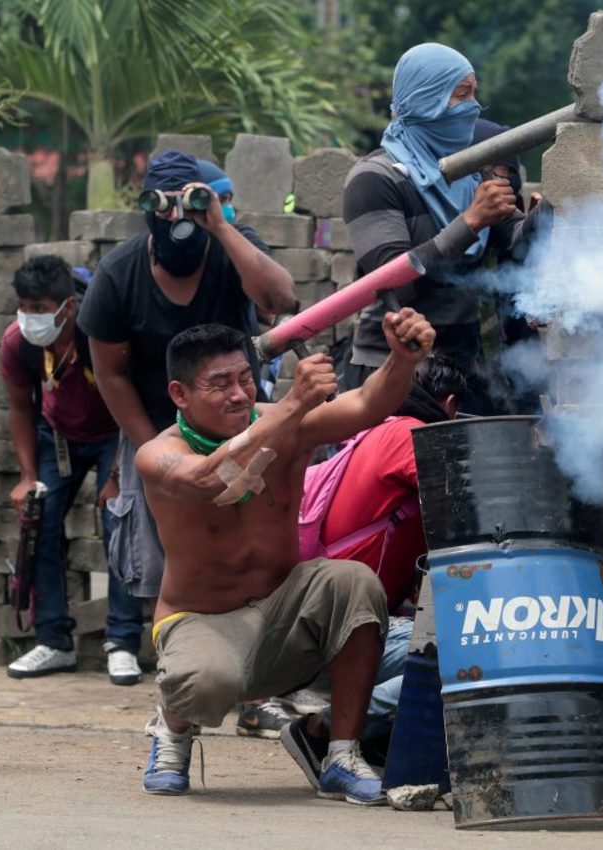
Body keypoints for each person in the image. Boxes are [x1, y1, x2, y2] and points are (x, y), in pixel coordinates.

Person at [136, 308, 436, 802]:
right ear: (180, 394)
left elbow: (366, 403)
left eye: (244, 379)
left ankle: (340, 755)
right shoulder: (157, 454)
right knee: (207, 681)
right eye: (220, 384)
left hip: (284, 610)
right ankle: (172, 731)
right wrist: (293, 403)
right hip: (201, 620)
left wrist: (402, 360)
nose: (239, 394)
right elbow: (211, 480)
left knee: (353, 580)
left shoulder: (285, 423)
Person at [340, 42, 545, 410]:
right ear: (424, 97)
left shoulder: (470, 173)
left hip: (461, 369)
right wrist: (471, 221)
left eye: (474, 94)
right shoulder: (375, 177)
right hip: (392, 371)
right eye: (461, 95)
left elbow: (513, 240)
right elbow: (392, 281)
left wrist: (540, 219)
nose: (473, 107)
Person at [290, 354, 482, 742]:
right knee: (469, 655)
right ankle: (323, 730)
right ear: (450, 405)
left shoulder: (375, 432)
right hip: (340, 631)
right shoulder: (409, 433)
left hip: (323, 621)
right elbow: (467, 498)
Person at [0, 256, 146, 684]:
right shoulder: (18, 343)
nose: (30, 316)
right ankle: (54, 641)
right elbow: (19, 409)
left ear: (68, 306)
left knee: (119, 522)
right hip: (57, 436)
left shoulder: (99, 332)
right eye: (24, 306)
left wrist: (117, 476)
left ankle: (122, 642)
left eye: (40, 308)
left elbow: (133, 402)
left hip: (115, 434)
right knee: (39, 522)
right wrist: (28, 477)